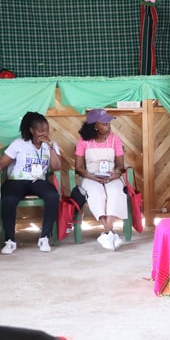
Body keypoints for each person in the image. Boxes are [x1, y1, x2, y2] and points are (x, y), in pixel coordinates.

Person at [0, 111, 61, 255]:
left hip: (38, 181)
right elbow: (1, 164)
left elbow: (56, 167)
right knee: (8, 198)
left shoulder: (50, 145)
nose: (44, 133)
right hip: (17, 181)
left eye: (46, 130)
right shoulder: (18, 144)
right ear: (31, 130)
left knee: (52, 196)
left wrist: (50, 147)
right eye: (40, 131)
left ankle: (44, 237)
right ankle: (10, 240)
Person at [75, 108, 128, 251]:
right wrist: (91, 176)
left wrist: (116, 174)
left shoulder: (115, 139)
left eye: (109, 123)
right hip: (90, 176)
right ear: (95, 126)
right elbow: (78, 168)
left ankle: (107, 233)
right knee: (96, 193)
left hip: (111, 176)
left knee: (116, 191)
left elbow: (120, 165)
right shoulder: (83, 141)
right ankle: (109, 232)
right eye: (104, 124)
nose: (108, 126)